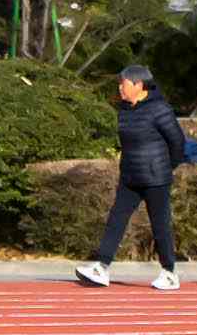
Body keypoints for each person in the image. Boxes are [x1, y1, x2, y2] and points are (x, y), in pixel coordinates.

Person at [76, 64, 188, 289]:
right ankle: (101, 267)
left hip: (156, 177)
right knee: (116, 219)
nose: (120, 88)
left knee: (160, 225)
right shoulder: (124, 109)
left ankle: (169, 272)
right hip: (130, 176)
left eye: (123, 83)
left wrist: (168, 166)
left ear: (138, 85)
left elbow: (178, 142)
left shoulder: (160, 109)